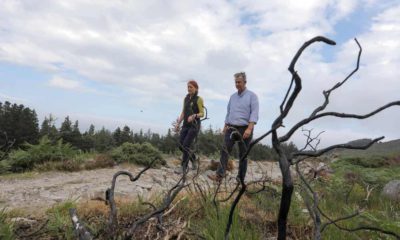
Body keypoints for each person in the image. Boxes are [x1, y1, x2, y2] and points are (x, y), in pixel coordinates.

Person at [208, 72, 259, 182]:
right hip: (231, 127)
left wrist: (249, 128)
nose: (237, 84)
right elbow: (229, 112)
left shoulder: (252, 96)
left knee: (243, 155)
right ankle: (219, 176)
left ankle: (240, 179)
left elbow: (254, 113)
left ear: (245, 82)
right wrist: (225, 125)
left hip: (245, 128)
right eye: (236, 82)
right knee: (225, 151)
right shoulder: (232, 97)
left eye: (239, 82)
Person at [174, 80, 205, 174]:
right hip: (185, 125)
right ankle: (194, 159)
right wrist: (178, 123)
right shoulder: (186, 98)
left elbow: (202, 113)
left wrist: (194, 115)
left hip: (194, 126)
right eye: (188, 87)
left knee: (186, 145)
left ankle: (183, 167)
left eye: (191, 87)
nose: (189, 89)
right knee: (181, 145)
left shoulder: (199, 99)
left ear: (196, 88)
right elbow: (183, 112)